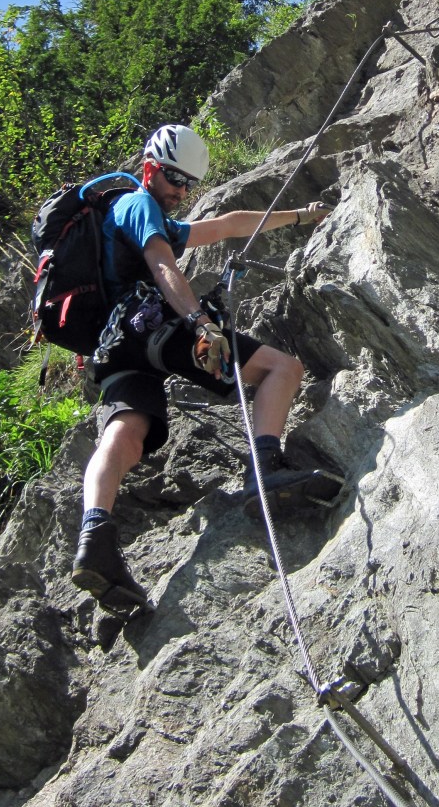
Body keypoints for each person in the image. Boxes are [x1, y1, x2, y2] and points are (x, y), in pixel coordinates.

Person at [71, 123, 338, 614]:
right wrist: (198, 323)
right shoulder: (137, 204)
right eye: (175, 179)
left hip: (115, 349)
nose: (181, 191)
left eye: (188, 184)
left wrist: (301, 216)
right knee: (283, 369)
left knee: (125, 435)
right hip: (156, 326)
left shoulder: (139, 216)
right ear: (150, 168)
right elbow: (163, 267)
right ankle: (265, 469)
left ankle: (96, 538)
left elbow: (230, 224)